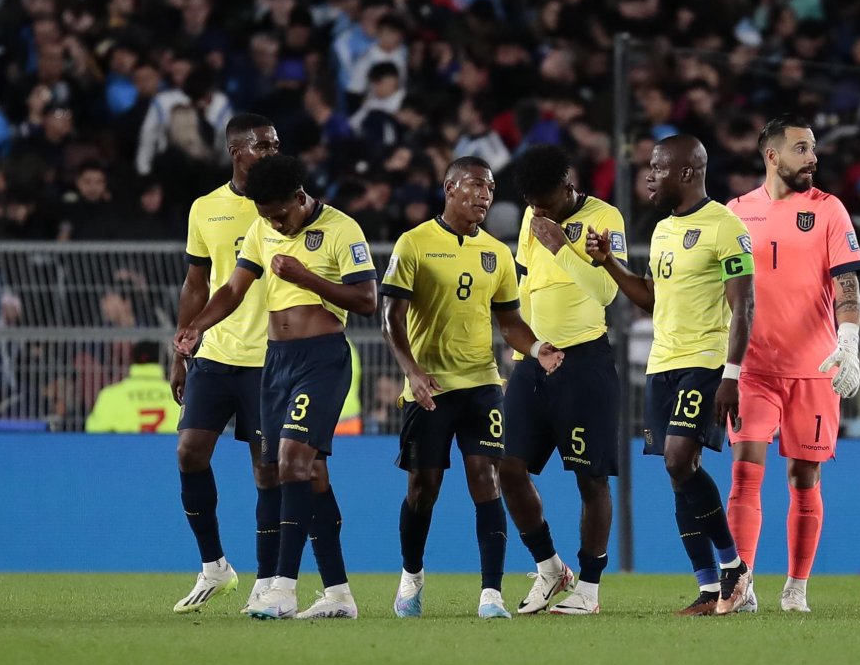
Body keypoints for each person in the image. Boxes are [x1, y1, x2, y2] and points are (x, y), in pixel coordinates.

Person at [175, 154, 378, 620]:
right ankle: (339, 594)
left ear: (301, 197)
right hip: (276, 362)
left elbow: (367, 300)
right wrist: (197, 327)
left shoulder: (343, 229)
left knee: (290, 463)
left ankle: (282, 589)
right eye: (267, 216)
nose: (276, 224)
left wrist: (306, 277)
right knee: (311, 475)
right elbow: (232, 289)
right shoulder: (262, 228)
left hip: (322, 359)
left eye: (281, 214)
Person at [380, 156, 564, 620]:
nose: (484, 195)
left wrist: (537, 346)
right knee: (424, 487)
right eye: (476, 186)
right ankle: (412, 577)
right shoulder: (414, 243)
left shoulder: (497, 254)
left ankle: (491, 595)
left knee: (488, 477)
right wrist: (413, 371)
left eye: (490, 188)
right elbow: (390, 317)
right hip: (430, 387)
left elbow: (510, 322)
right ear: (449, 187)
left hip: (482, 383)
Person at [587, 134, 754, 616]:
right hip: (661, 363)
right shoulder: (662, 229)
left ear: (686, 172)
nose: (650, 176)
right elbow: (650, 297)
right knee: (677, 473)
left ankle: (734, 570)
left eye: (658, 167)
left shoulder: (726, 227)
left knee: (681, 460)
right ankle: (709, 589)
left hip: (704, 361)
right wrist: (609, 263)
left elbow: (744, 306)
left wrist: (731, 373)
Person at [725, 114, 860, 613]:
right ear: (772, 156)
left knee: (804, 478)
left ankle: (796, 587)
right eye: (802, 149)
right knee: (745, 472)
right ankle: (739, 586)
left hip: (814, 368)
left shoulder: (829, 210)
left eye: (813, 148)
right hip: (753, 368)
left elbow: (847, 284)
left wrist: (847, 343)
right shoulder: (735, 212)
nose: (813, 157)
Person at [499, 145, 626, 615]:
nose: (540, 212)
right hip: (535, 362)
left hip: (586, 361)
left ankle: (588, 590)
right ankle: (550, 568)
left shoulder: (604, 217)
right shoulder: (534, 220)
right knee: (508, 468)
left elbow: (608, 291)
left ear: (570, 186)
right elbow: (528, 288)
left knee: (590, 479)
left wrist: (562, 246)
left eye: (548, 202)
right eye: (534, 204)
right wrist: (523, 354)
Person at [170, 113, 280, 615]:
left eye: (277, 144)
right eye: (264, 146)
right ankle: (215, 566)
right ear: (237, 151)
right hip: (216, 353)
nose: (274, 152)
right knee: (190, 452)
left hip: (268, 359)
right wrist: (182, 351)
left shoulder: (287, 206)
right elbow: (197, 283)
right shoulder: (205, 208)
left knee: (267, 472)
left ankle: (268, 578)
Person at [84, 341, 180, 434]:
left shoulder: (111, 395)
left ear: (132, 360)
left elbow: (94, 432)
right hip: (168, 449)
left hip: (124, 449)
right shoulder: (181, 395)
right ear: (164, 361)